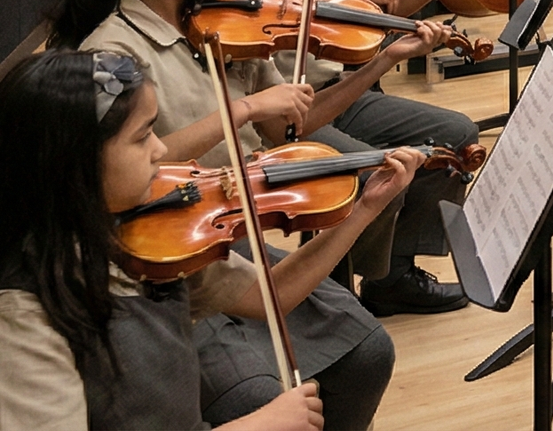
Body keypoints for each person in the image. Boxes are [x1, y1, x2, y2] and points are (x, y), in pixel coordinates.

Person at [48, 0, 411, 428]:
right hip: (166, 259)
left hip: (228, 241)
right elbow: (115, 176)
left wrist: (380, 61)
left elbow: (290, 123)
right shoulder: (112, 58)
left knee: (368, 351)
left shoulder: (224, 21)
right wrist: (238, 110)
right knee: (254, 402)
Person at [0, 49, 418, 431]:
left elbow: (268, 296)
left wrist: (363, 209)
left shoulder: (145, 236)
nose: (162, 149)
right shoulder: (23, 313)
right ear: (75, 161)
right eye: (143, 136)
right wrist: (257, 425)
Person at [234, 0, 494, 315]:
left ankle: (391, 276)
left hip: (353, 89)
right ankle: (334, 295)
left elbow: (394, 7)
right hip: (296, 109)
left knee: (455, 134)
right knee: (377, 174)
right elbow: (280, 18)